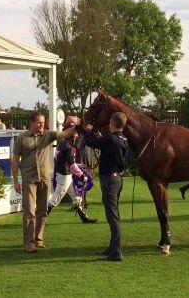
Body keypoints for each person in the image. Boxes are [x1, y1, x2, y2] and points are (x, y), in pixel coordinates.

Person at [12, 111, 77, 253]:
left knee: (42, 210)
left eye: (43, 122)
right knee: (29, 211)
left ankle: (39, 239)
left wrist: (77, 126)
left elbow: (64, 134)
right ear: (32, 122)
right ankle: (29, 243)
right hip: (29, 178)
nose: (42, 125)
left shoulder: (48, 135)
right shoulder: (21, 139)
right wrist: (16, 181)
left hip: (45, 177)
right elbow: (15, 161)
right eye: (39, 122)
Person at [84, 112, 128, 261]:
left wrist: (89, 129)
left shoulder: (110, 139)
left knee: (112, 216)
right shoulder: (123, 139)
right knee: (114, 214)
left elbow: (90, 142)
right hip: (117, 179)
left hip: (109, 180)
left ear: (112, 123)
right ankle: (112, 246)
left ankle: (116, 252)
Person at [47, 117, 97, 223]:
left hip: (66, 175)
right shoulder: (67, 145)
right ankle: (41, 218)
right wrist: (82, 174)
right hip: (64, 176)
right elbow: (71, 164)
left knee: (76, 197)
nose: (76, 135)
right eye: (75, 133)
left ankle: (84, 218)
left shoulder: (65, 143)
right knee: (55, 199)